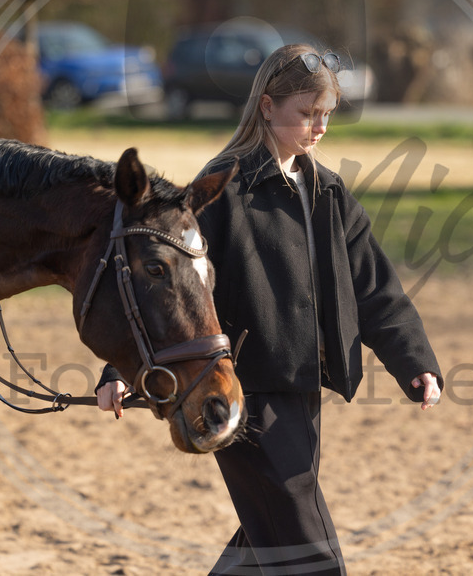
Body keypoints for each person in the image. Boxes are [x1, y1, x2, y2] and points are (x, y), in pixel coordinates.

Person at [96, 43, 443, 574]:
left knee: (267, 539)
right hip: (237, 390)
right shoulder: (222, 189)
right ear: (265, 106)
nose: (319, 127)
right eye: (306, 114)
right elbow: (165, 286)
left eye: (326, 115)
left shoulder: (327, 190)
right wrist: (121, 369)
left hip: (302, 391)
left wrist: (414, 360)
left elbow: (373, 287)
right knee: (305, 544)